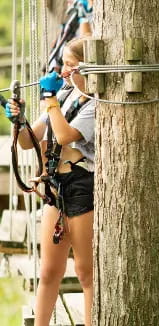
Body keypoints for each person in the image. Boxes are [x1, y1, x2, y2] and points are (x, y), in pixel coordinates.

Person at [4, 37, 95, 326]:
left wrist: (50, 99)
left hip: (82, 187)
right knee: (48, 271)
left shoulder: (97, 103)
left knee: (85, 272)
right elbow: (29, 142)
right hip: (56, 186)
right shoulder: (65, 95)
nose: (64, 72)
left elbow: (66, 135)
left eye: (71, 66)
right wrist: (19, 121)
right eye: (64, 65)